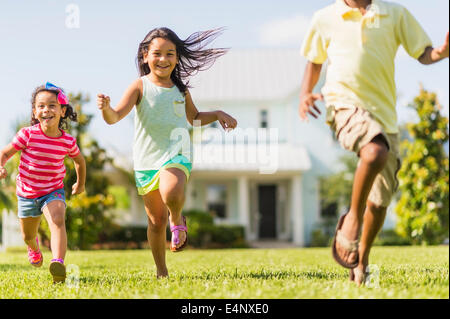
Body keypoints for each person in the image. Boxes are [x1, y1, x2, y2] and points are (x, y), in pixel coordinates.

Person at [299, 0, 449, 285]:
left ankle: (362, 260)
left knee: (379, 203)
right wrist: (305, 93)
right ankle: (351, 220)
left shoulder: (395, 13)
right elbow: (314, 61)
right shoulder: (324, 18)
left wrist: (441, 52)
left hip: (385, 116)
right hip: (343, 106)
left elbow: (423, 53)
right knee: (374, 151)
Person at [97, 27, 237, 278]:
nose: (164, 59)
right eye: (158, 53)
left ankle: (177, 219)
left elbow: (193, 117)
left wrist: (216, 114)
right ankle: (162, 270)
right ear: (145, 56)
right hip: (146, 159)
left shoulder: (181, 90)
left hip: (177, 151)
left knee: (171, 190)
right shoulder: (139, 86)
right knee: (155, 222)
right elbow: (115, 117)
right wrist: (107, 108)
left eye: (170, 54)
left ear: (177, 58)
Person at [0, 82, 86, 283]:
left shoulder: (67, 141)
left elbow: (79, 160)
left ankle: (58, 263)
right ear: (35, 111)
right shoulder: (27, 135)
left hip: (52, 190)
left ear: (62, 111)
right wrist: (2, 165)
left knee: (57, 220)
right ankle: (33, 247)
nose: (46, 110)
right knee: (27, 235)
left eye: (52, 105)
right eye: (41, 106)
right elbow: (4, 153)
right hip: (27, 193)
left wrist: (80, 183)